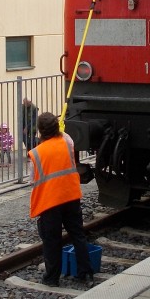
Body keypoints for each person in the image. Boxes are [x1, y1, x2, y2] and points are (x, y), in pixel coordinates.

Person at [29, 112, 94, 285]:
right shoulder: (67, 142)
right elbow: (65, 136)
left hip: (50, 202)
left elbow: (32, 181)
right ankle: (85, 274)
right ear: (57, 127)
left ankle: (51, 278)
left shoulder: (36, 153)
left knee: (52, 241)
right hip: (71, 196)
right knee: (77, 235)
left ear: (40, 131)